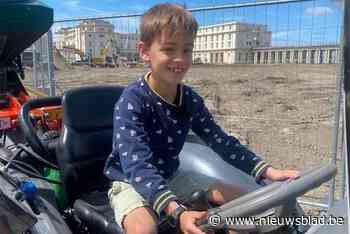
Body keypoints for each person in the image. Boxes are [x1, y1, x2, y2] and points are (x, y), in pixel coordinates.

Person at [103, 3, 299, 234]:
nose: (180, 59)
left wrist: (270, 173)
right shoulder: (132, 101)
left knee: (247, 200)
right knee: (144, 229)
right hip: (131, 182)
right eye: (169, 49)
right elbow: (137, 166)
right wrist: (177, 211)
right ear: (145, 51)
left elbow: (221, 142)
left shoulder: (189, 99)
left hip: (172, 175)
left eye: (186, 50)